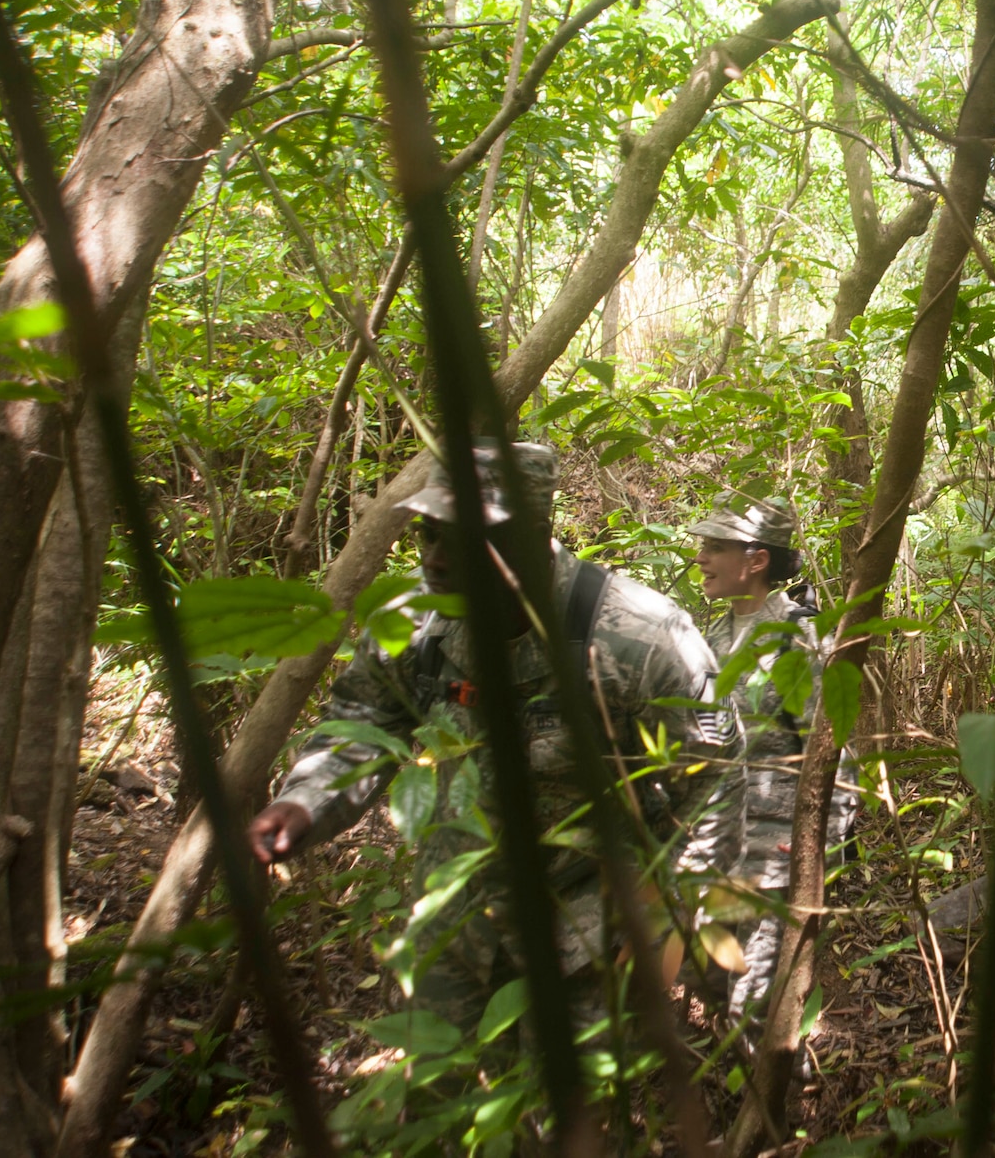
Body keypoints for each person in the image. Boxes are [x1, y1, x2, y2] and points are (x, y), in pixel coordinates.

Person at [247, 440, 732, 1028]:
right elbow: (366, 723)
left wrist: (664, 922)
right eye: (428, 533)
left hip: (588, 932)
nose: (438, 559)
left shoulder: (640, 637)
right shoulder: (413, 623)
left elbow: (715, 786)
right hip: (456, 920)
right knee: (437, 1100)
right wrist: (306, 802)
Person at [688, 494, 855, 1016]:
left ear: (756, 560)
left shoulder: (794, 638)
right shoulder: (707, 640)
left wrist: (821, 850)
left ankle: (785, 1083)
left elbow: (832, 753)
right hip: (718, 851)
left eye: (716, 547)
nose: (701, 558)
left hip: (777, 853)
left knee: (754, 1005)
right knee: (709, 984)